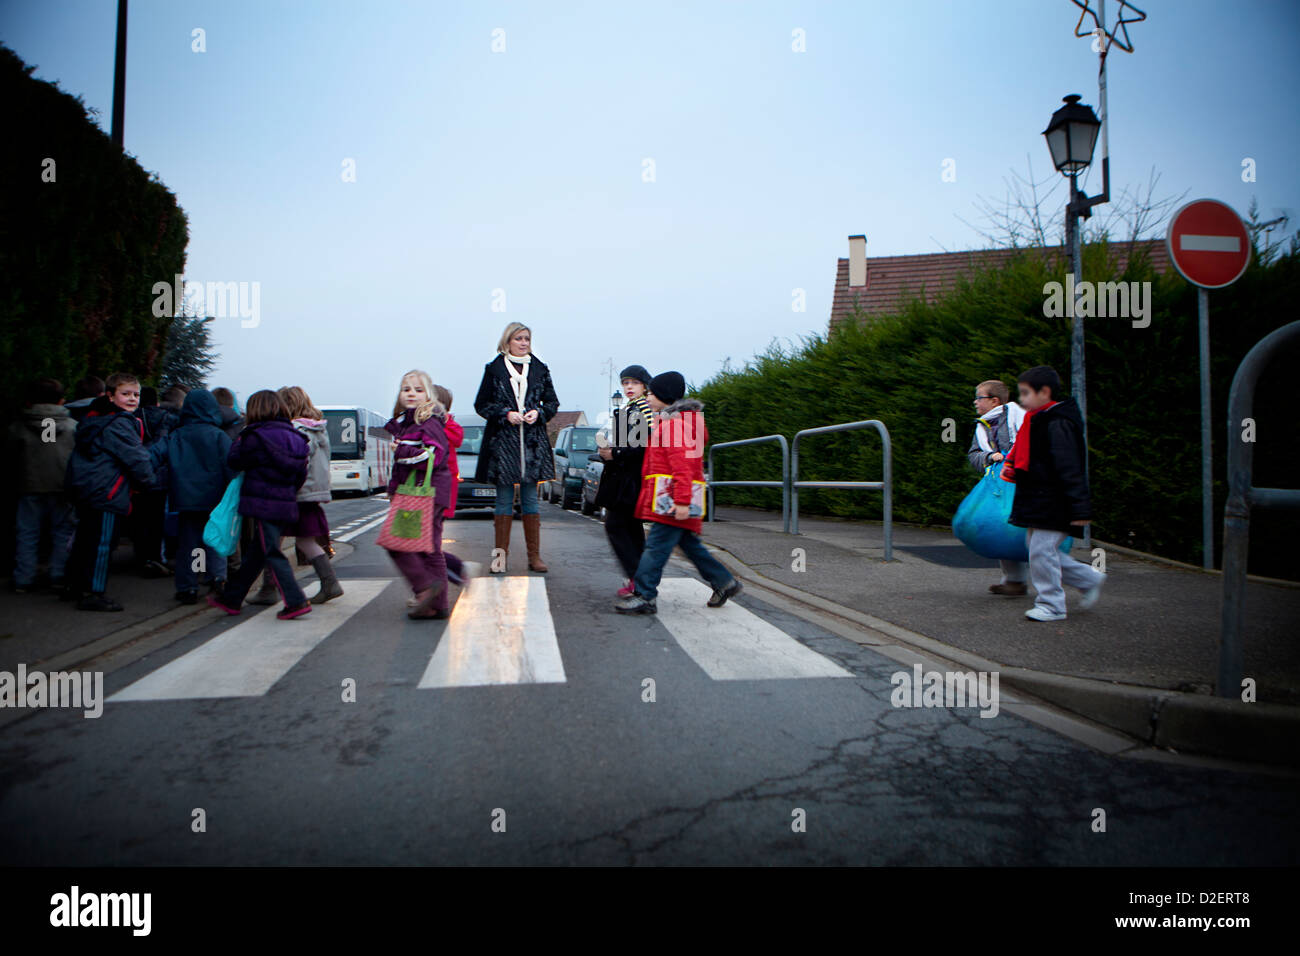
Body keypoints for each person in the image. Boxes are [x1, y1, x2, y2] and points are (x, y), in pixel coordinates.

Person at [615, 372, 743, 615]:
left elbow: (683, 467)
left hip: (671, 502)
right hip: (674, 500)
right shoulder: (676, 423)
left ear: (665, 396)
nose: (648, 397)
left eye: (652, 393)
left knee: (655, 548)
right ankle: (724, 582)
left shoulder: (673, 426)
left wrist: (682, 501)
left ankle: (645, 595)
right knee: (690, 545)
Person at [1001, 365, 1105, 622]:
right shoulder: (1042, 419)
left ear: (1044, 392)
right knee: (1039, 550)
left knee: (1040, 550)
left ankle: (1052, 605)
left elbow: (1070, 467)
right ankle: (1088, 578)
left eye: (1025, 393)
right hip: (1043, 500)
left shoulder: (1055, 423)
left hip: (1053, 501)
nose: (1022, 400)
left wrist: (1081, 509)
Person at [208, 390, 312, 620]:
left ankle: (296, 601)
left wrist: (241, 439)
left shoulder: (254, 436)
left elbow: (234, 460)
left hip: (263, 503)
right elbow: (300, 476)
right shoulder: (297, 438)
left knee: (271, 552)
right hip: (285, 503)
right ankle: (232, 598)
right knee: (257, 553)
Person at [64, 372, 158, 611]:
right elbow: (136, 457)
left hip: (88, 489)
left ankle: (74, 585)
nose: (132, 399)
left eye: (136, 395)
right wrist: (149, 482)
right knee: (103, 543)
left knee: (85, 541)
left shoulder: (94, 421)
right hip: (108, 491)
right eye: (125, 394)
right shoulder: (120, 424)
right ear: (110, 396)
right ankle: (93, 592)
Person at [472, 322, 559, 573]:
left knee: (531, 501)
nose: (524, 343)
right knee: (503, 503)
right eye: (519, 338)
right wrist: (504, 414)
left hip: (532, 445)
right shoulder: (494, 369)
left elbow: (552, 403)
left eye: (527, 339)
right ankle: (500, 558)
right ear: (507, 341)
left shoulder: (540, 370)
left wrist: (538, 413)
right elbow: (482, 404)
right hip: (503, 446)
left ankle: (535, 557)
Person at [383, 370, 453, 619]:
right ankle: (439, 605)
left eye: (418, 389)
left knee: (396, 543)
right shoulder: (408, 423)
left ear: (428, 395)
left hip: (425, 492)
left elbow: (435, 456)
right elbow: (401, 465)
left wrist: (401, 451)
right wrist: (392, 490)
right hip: (421, 491)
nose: (411, 393)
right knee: (430, 549)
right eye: (406, 389)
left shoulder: (428, 422)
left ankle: (425, 589)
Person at [7, 378, 76, 593]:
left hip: (30, 484)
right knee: (63, 531)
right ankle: (58, 574)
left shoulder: (18, 427)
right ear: (62, 401)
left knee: (27, 532)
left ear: (28, 401)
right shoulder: (73, 427)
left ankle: (23, 578)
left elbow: (10, 456)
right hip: (62, 485)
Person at [166, 388, 234, 604]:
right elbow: (231, 467)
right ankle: (216, 579)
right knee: (215, 540)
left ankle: (189, 586)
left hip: (185, 498)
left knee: (190, 544)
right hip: (215, 498)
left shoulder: (177, 434)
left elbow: (156, 457)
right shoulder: (218, 436)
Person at [278, 385, 343, 604]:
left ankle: (328, 583)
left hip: (299, 493)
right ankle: (329, 583)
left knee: (274, 543)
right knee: (305, 540)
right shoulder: (317, 429)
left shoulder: (298, 430)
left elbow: (299, 463)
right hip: (312, 493)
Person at [595, 365, 653, 597]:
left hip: (630, 480)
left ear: (644, 385)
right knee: (631, 529)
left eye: (634, 383)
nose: (629, 387)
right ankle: (641, 579)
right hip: (626, 478)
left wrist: (614, 454)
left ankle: (637, 579)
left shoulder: (641, 410)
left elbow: (640, 448)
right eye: (625, 383)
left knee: (617, 526)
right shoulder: (630, 409)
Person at [966, 378, 1028, 596]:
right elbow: (974, 455)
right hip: (1001, 485)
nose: (975, 402)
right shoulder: (982, 425)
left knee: (1035, 536)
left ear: (994, 400)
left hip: (1023, 484)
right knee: (1002, 528)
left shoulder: (1017, 418)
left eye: (979, 397)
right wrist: (990, 457)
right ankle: (1015, 581)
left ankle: (1084, 578)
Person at [431, 384, 475, 590]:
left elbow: (457, 439)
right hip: (430, 487)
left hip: (442, 487)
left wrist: (442, 422)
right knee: (427, 539)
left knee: (430, 540)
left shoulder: (450, 425)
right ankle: (440, 577)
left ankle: (453, 572)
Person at [129, 386, 173, 577]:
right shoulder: (166, 418)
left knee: (139, 520)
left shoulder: (131, 418)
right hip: (161, 475)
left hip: (137, 473)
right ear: (157, 401)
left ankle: (141, 557)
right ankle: (156, 558)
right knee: (157, 520)